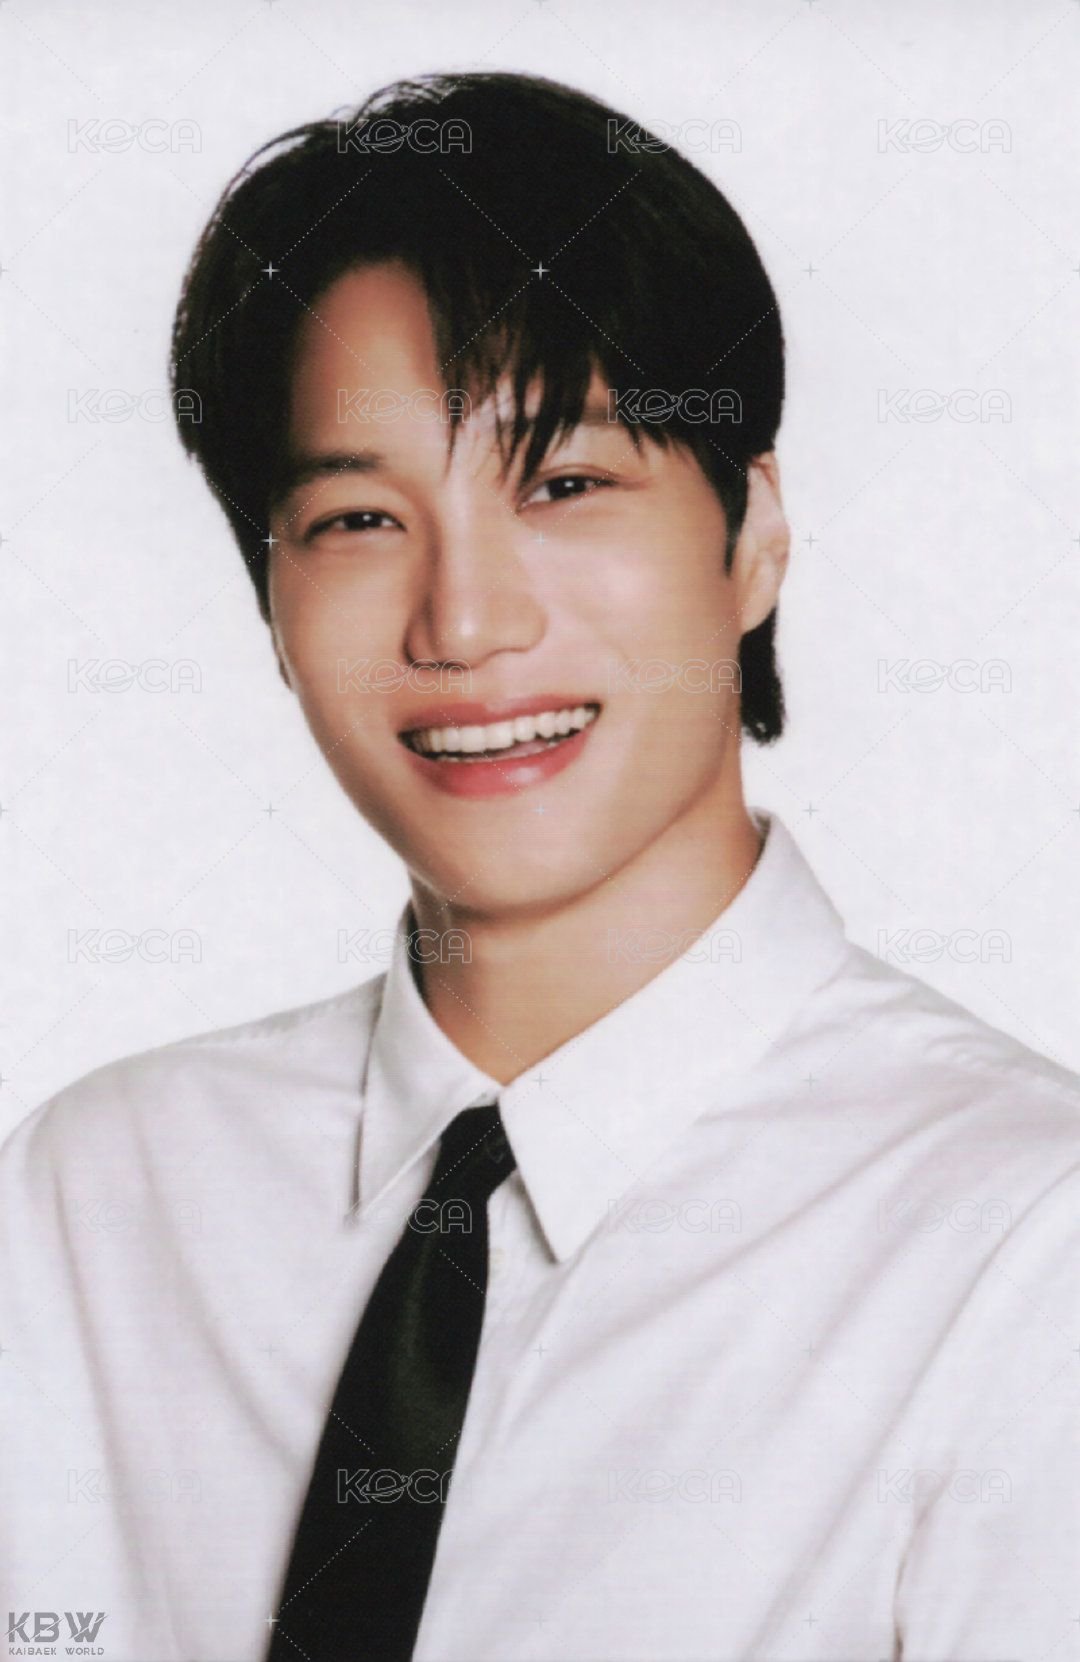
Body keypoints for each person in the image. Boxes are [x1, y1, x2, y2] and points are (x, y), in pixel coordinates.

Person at [2, 70, 1077, 1662]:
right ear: (271, 599)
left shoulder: (1021, 1245)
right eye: (358, 519)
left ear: (753, 534)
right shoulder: (97, 1202)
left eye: (564, 484)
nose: (464, 622)